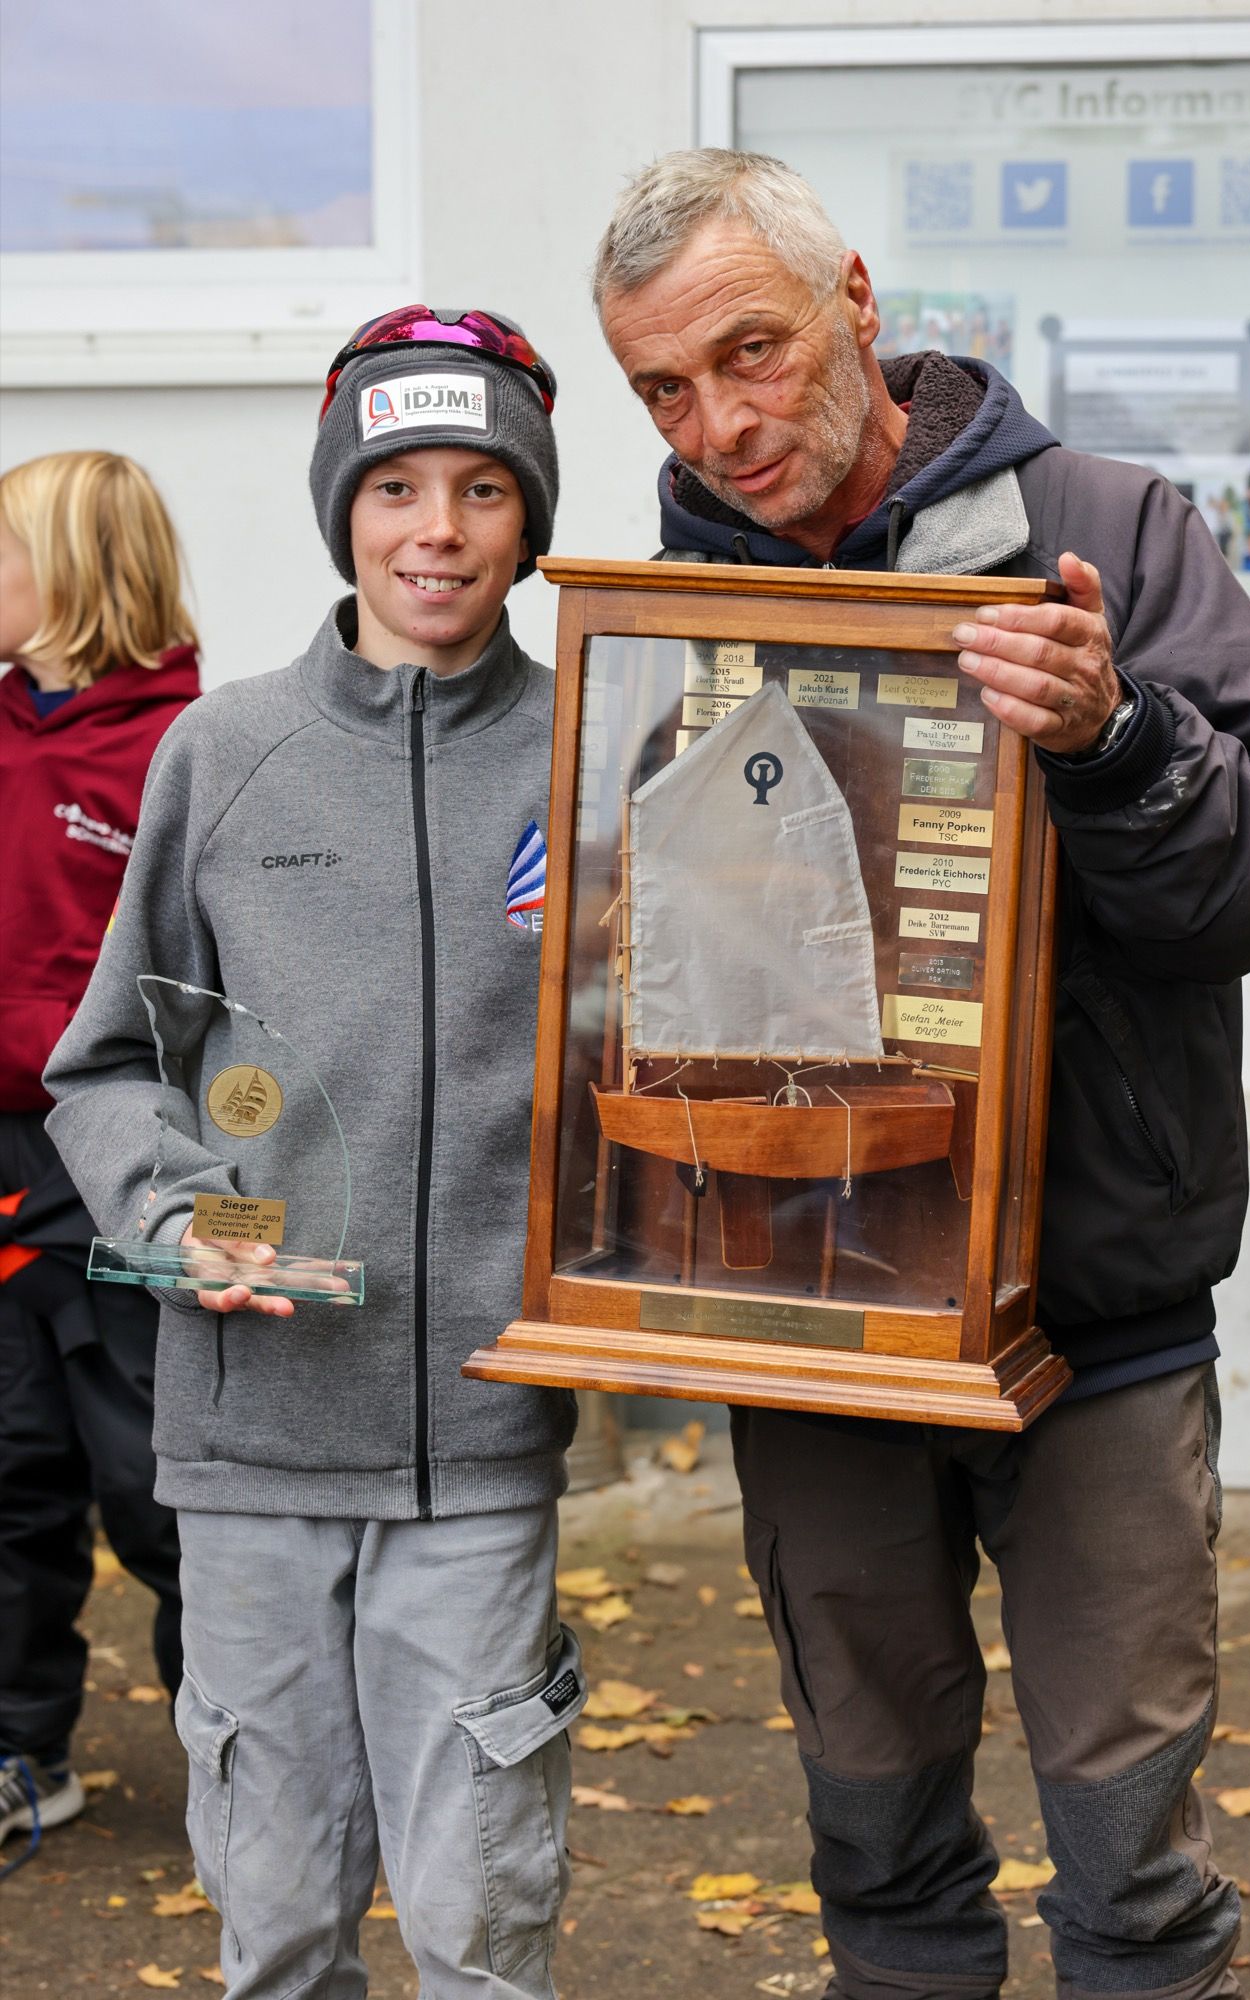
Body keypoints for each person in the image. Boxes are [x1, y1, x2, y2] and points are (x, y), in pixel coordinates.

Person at [593, 151, 1250, 2000]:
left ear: (856, 304)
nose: (721, 420)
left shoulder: (1111, 524)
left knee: (1131, 1867)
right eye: (665, 390)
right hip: (809, 1301)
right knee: (878, 1848)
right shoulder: (655, 593)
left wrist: (1118, 734)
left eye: (749, 351)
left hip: (1092, 1310)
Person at [43, 309, 583, 1998]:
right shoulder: (224, 752)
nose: (437, 529)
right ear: (341, 508)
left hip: (480, 1441)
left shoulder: (592, 757)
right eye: (397, 486)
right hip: (250, 1439)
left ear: (529, 517)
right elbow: (107, 1066)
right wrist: (177, 1210)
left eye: (483, 488)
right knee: (273, 1922)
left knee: (482, 1922)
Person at [0, 451, 198, 1862]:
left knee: (156, 1480)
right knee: (9, 1469)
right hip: (1, 1157)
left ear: (70, 573)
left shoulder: (185, 746)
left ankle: (244, 1741)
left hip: (120, 1154)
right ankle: (22, 1746)